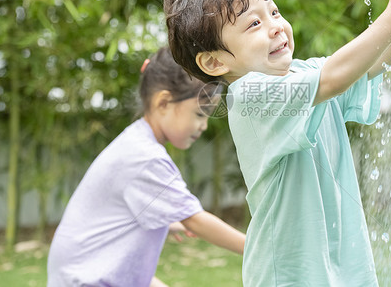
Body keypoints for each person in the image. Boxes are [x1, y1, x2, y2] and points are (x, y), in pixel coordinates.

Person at [166, 0, 391, 286]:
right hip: (289, 277)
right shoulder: (250, 96)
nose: (275, 27)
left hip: (339, 272)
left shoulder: (302, 73)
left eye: (274, 11)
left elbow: (366, 65)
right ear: (216, 62)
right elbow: (336, 77)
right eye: (254, 23)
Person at [47, 47, 245, 287]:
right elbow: (196, 220)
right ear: (163, 102)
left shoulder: (135, 142)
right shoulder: (145, 157)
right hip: (85, 279)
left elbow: (121, 214)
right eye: (199, 114)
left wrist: (169, 223)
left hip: (82, 273)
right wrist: (255, 248)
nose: (203, 126)